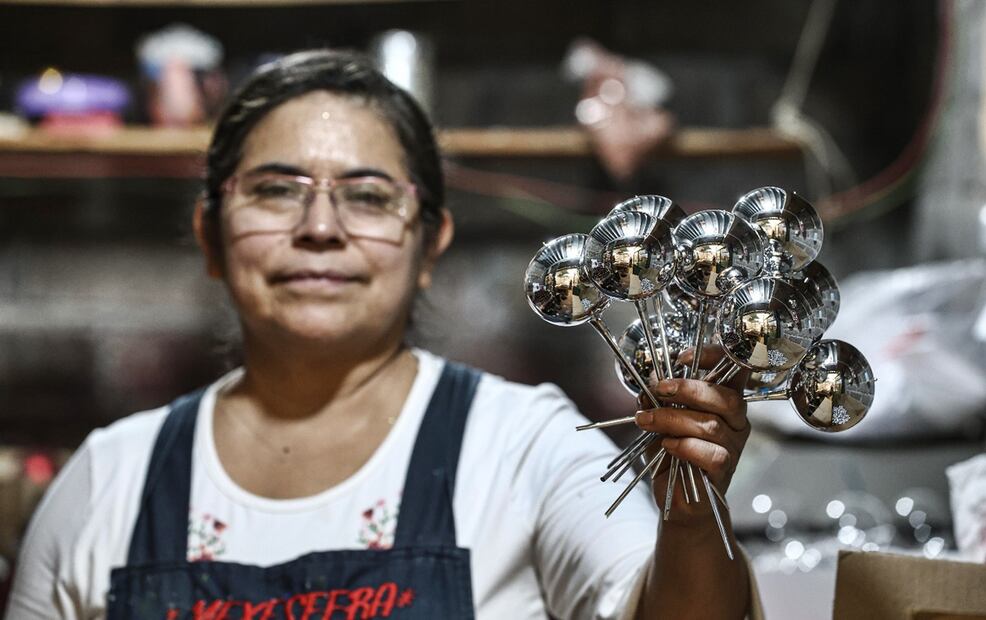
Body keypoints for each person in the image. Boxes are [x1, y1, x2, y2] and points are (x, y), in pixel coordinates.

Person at [5, 49, 758, 619]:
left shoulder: (524, 448)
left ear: (431, 243)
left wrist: (692, 524)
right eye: (275, 191)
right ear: (209, 234)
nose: (321, 228)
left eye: (368, 196)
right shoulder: (110, 482)